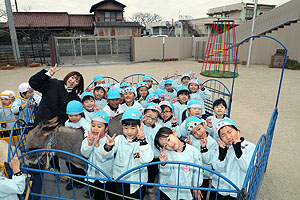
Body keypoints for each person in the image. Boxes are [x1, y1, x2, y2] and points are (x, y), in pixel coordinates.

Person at [101, 108, 154, 200]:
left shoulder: (144, 142)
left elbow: (147, 159)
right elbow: (106, 155)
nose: (129, 132)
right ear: (121, 126)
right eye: (126, 128)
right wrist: (108, 147)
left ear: (139, 126)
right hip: (120, 178)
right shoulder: (118, 139)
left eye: (133, 128)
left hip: (138, 180)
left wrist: (142, 141)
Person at [210, 118, 255, 200]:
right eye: (223, 135)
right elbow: (217, 169)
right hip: (219, 188)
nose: (228, 137)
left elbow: (247, 168)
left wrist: (238, 151)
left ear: (238, 131)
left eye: (230, 132)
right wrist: (221, 155)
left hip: (238, 189)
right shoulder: (220, 148)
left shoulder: (249, 146)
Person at [154, 127, 203, 200]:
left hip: (186, 190)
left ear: (174, 133)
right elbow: (165, 172)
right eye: (165, 145)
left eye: (168, 139)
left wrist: (196, 186)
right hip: (168, 191)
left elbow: (197, 170)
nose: (170, 144)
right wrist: (163, 163)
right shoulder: (166, 154)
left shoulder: (193, 151)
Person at [81, 110, 114, 200]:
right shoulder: (89, 138)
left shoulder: (109, 141)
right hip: (93, 173)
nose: (95, 128)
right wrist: (89, 144)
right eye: (93, 125)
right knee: (98, 195)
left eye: (99, 126)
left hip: (106, 173)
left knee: (111, 193)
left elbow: (104, 157)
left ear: (106, 128)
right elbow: (84, 154)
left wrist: (97, 146)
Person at [185, 116, 218, 199]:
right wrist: (188, 147)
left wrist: (204, 148)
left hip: (205, 175)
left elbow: (209, 161)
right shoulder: (190, 140)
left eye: (199, 129)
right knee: (189, 193)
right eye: (194, 133)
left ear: (204, 124)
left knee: (201, 195)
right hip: (191, 173)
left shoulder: (212, 142)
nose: (198, 134)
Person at [142, 103, 162, 199]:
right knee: (141, 172)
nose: (150, 120)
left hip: (155, 156)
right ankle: (142, 187)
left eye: (153, 118)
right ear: (143, 114)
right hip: (142, 155)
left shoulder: (159, 127)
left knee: (152, 172)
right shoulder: (139, 125)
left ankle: (150, 188)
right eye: (148, 116)